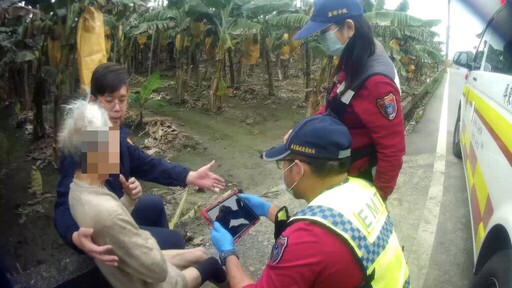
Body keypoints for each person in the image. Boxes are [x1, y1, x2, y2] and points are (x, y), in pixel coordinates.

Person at [54, 62, 225, 265]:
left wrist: (191, 176)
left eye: (123, 100)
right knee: (175, 240)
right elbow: (64, 203)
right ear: (92, 102)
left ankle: (161, 270)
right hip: (103, 236)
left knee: (152, 204)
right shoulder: (87, 143)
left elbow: (148, 164)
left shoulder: (109, 136)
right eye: (109, 101)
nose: (117, 108)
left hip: (118, 214)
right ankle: (166, 267)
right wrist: (75, 236)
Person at [210, 114, 410, 287]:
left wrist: (228, 254)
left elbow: (311, 240)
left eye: (283, 163)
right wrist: (269, 209)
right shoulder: (364, 188)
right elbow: (331, 229)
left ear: (297, 170)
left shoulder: (305, 241)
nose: (283, 169)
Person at [290, 0, 406, 200]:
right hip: (338, 169)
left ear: (349, 28)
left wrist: (378, 198)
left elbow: (392, 151)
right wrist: (302, 131)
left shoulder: (376, 83)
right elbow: (335, 104)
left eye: (324, 32)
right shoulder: (355, 56)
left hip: (355, 179)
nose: (321, 39)